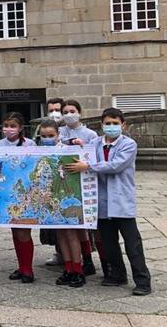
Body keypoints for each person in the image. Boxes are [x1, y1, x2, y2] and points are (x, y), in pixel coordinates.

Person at [66, 108, 152, 296]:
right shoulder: (95, 143)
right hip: (101, 202)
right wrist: (76, 144)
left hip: (122, 202)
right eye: (107, 123)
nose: (111, 127)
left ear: (123, 125)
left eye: (115, 123)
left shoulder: (129, 144)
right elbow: (80, 149)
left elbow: (116, 165)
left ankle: (143, 280)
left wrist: (88, 166)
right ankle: (117, 275)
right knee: (109, 242)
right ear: (102, 125)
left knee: (133, 244)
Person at [37, 120, 84, 288]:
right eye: (43, 136)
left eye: (51, 135)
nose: (47, 138)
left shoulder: (67, 151)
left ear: (58, 135)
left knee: (71, 233)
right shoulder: (38, 153)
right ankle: (68, 267)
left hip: (67, 195)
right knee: (60, 234)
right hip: (51, 198)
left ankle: (78, 269)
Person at [59, 99, 100, 276]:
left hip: (81, 178)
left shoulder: (89, 133)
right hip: (62, 179)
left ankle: (87, 259)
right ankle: (69, 260)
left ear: (79, 112)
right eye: (65, 112)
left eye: (72, 111)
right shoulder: (60, 131)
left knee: (81, 225)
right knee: (65, 225)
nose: (69, 114)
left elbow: (94, 155)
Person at [0, 112, 37, 283]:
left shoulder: (30, 144)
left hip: (25, 193)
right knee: (15, 230)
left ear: (20, 128)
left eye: (13, 126)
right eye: (6, 126)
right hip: (7, 193)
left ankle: (28, 269)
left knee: (24, 232)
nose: (9, 129)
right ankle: (21, 266)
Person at [42, 97, 65, 267]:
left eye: (57, 109)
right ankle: (59, 253)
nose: (54, 113)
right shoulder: (42, 135)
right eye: (51, 110)